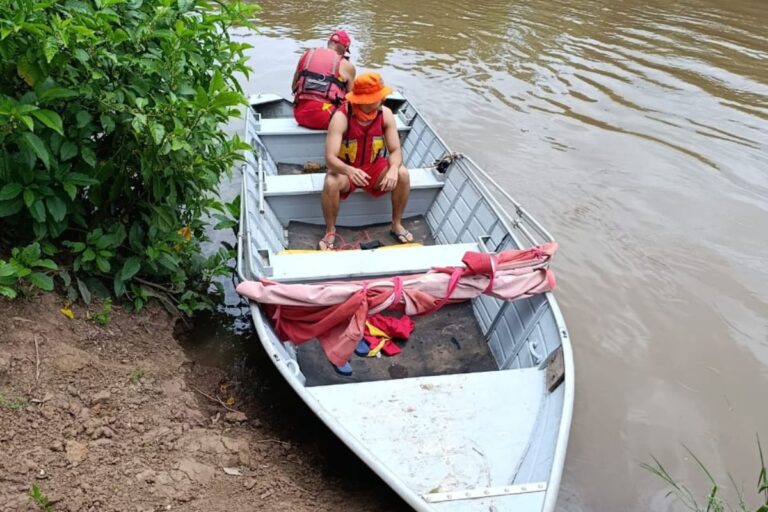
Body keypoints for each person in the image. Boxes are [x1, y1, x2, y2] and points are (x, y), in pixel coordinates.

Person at [319, 72, 413, 250]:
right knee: (331, 181)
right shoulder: (341, 117)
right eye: (380, 96)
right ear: (367, 100)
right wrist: (349, 171)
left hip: (374, 168)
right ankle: (330, 231)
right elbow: (330, 158)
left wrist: (393, 168)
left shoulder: (385, 114)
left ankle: (396, 224)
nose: (383, 99)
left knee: (402, 173)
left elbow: (395, 150)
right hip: (347, 170)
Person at [291, 30, 356, 130]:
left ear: (329, 43)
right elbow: (352, 99)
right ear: (344, 47)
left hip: (299, 115)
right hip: (327, 117)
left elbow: (294, 87)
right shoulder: (347, 65)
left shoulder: (306, 55)